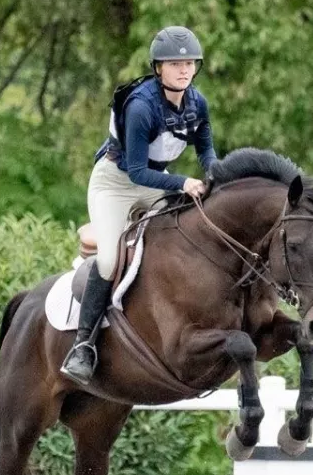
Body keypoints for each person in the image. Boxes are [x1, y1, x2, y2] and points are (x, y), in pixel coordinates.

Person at [60, 25, 219, 385]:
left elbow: (206, 150)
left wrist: (215, 175)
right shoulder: (141, 107)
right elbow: (135, 170)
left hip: (155, 182)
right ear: (157, 68)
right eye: (174, 63)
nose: (183, 69)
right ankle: (83, 346)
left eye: (190, 63)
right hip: (116, 184)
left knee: (191, 229)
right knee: (109, 258)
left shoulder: (197, 103)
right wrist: (183, 183)